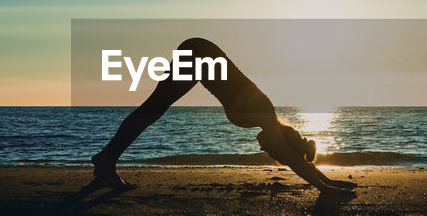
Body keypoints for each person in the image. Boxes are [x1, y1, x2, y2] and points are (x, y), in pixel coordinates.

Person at [91, 37, 357, 196]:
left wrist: (326, 179)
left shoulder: (266, 118)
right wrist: (324, 188)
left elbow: (293, 155)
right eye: (270, 149)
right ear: (280, 140)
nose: (263, 148)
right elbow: (291, 157)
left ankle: (106, 158)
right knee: (153, 110)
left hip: (200, 55)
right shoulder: (265, 114)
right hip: (199, 54)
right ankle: (106, 159)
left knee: (153, 110)